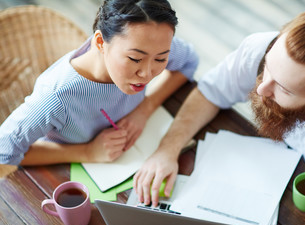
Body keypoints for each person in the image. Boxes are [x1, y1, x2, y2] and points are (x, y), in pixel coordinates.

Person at [133, 2, 305, 225]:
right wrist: (167, 149)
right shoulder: (262, 48)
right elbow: (212, 91)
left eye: (283, 88)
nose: (262, 89)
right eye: (269, 68)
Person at [0, 0, 198, 165]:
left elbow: (189, 61)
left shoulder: (150, 44)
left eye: (161, 59)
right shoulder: (55, 97)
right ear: (100, 42)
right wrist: (86, 153)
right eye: (135, 59)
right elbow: (4, 152)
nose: (146, 74)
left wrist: (144, 109)